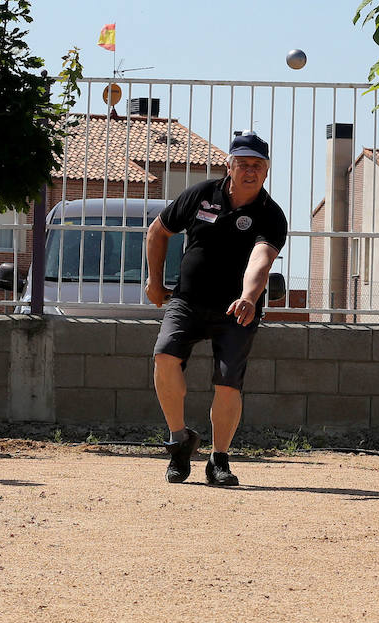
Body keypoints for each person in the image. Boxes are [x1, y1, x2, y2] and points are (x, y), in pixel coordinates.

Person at [145, 132, 287, 486]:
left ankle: (218, 460)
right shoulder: (201, 194)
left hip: (236, 310)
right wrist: (154, 282)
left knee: (228, 385)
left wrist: (249, 298)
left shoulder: (271, 215)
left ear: (266, 171)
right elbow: (157, 232)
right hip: (187, 301)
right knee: (164, 357)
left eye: (257, 165)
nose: (250, 171)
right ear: (229, 165)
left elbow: (261, 259)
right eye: (243, 164)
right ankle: (179, 442)